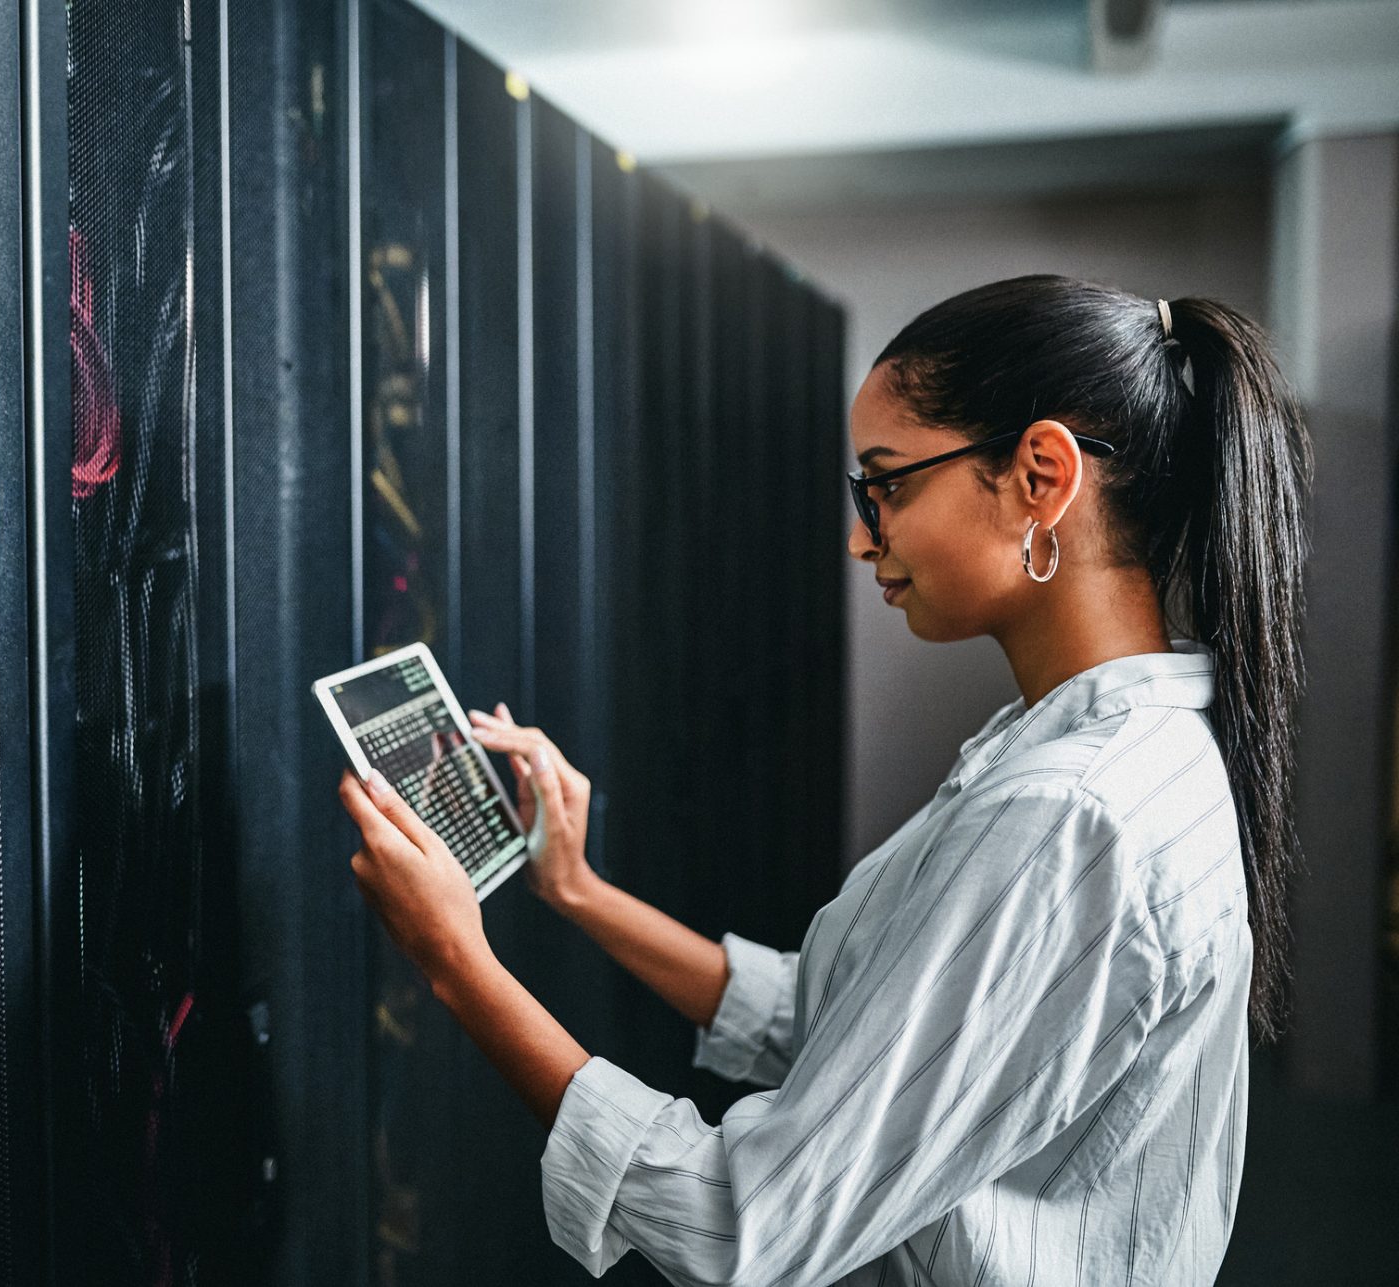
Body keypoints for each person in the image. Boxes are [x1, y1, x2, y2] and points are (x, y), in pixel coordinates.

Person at [337, 275, 1309, 1286]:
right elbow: (841, 1021)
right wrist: (574, 889)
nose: (858, 536)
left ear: (1039, 475)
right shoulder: (1127, 748)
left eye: (886, 484)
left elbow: (740, 1223)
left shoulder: (1065, 814)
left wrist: (455, 960)